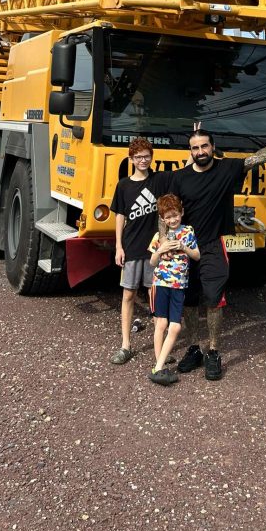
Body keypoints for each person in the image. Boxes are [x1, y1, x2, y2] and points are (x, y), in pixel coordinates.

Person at [171, 127, 266, 381]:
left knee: (214, 298)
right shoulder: (180, 178)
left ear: (212, 147)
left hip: (213, 246)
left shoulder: (226, 169)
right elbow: (167, 211)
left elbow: (256, 158)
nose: (200, 152)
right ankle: (194, 348)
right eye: (195, 148)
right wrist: (164, 242)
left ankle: (214, 351)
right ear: (190, 152)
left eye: (204, 146)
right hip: (186, 246)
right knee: (189, 301)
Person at [109, 137, 171, 364]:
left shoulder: (160, 180)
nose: (143, 160)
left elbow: (186, 170)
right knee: (128, 295)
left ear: (151, 157)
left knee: (157, 298)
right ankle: (126, 345)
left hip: (155, 250)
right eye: (138, 157)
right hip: (131, 247)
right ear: (131, 159)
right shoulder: (123, 185)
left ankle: (161, 347)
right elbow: (119, 216)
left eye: (146, 156)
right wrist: (118, 246)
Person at [146, 194, 199, 386]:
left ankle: (158, 367)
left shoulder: (188, 231)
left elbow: (197, 256)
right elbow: (152, 262)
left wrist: (183, 247)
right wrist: (160, 250)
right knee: (161, 324)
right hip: (161, 283)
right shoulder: (159, 237)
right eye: (168, 217)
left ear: (181, 213)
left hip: (179, 285)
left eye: (175, 215)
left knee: (175, 326)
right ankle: (159, 365)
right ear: (162, 219)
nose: (172, 220)